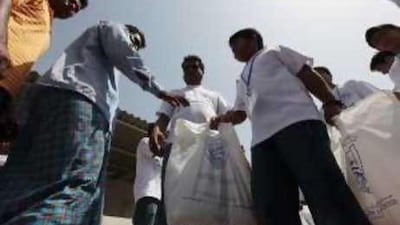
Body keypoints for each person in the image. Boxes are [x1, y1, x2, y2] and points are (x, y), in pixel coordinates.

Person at [0, 21, 188, 225]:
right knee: (72, 185)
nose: (134, 48)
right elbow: (123, 48)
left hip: (50, 101)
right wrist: (157, 89)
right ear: (129, 34)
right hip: (82, 105)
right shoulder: (113, 30)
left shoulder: (81, 61)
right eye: (135, 42)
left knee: (21, 184)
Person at [211, 28, 372, 225]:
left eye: (234, 44)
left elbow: (306, 72)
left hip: (298, 124)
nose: (233, 51)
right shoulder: (242, 78)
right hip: (262, 142)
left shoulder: (274, 51)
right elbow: (240, 113)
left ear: (252, 38)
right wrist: (224, 119)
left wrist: (330, 101)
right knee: (271, 204)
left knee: (324, 190)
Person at [149, 55, 231, 225]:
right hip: (177, 149)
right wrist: (157, 130)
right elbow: (163, 118)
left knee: (208, 197)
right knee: (170, 196)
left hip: (207, 150)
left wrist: (235, 145)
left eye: (194, 67)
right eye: (186, 68)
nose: (190, 70)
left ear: (202, 71)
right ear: (183, 74)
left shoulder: (214, 96)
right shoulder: (175, 94)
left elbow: (227, 121)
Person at [0, 0, 88, 140]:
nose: (73, 7)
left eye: (77, 9)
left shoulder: (48, 26)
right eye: (72, 1)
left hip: (6, 89)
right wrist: (1, 43)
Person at [133, 124, 163, 225]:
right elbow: (157, 149)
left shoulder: (161, 155)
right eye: (160, 131)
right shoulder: (145, 142)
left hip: (157, 199)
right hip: (147, 194)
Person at [314, 66, 378, 107]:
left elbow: (375, 98)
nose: (319, 78)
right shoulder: (325, 109)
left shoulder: (351, 85)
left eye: (320, 74)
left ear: (330, 76)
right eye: (315, 78)